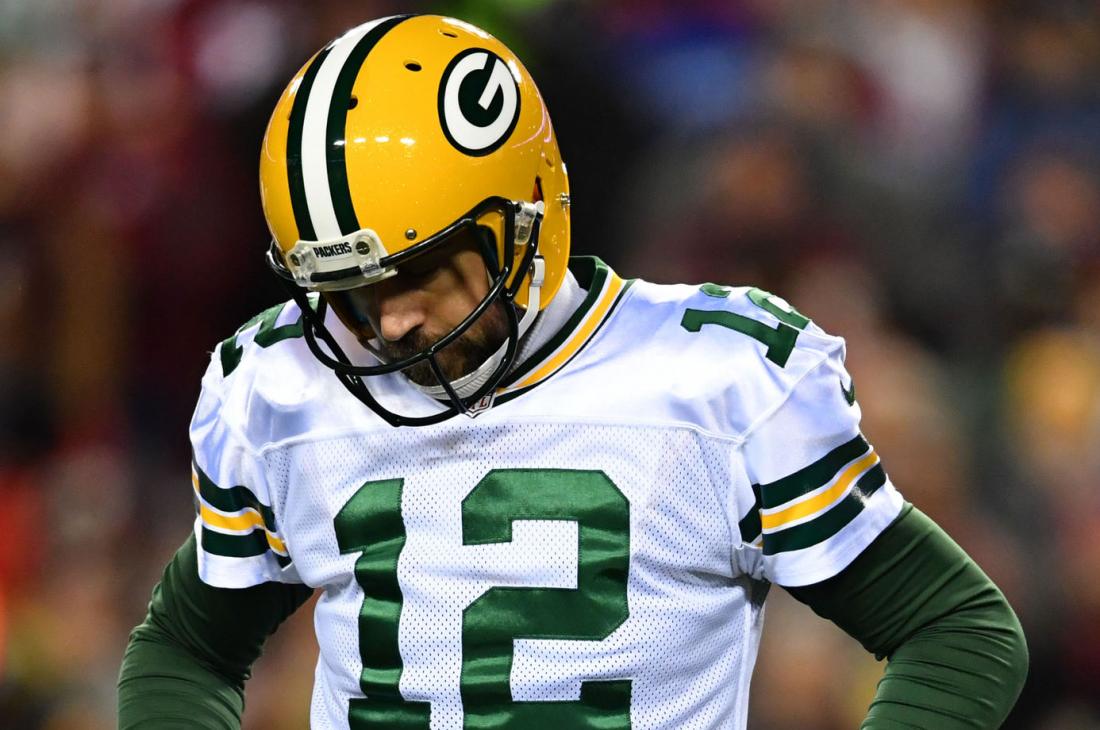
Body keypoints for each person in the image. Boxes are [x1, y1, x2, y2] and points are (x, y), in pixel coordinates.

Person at [118, 14, 1027, 729]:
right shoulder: (281, 386)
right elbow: (185, 652)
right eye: (350, 289)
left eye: (417, 270)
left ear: (527, 215)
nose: (390, 321)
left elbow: (957, 631)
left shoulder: (715, 379)